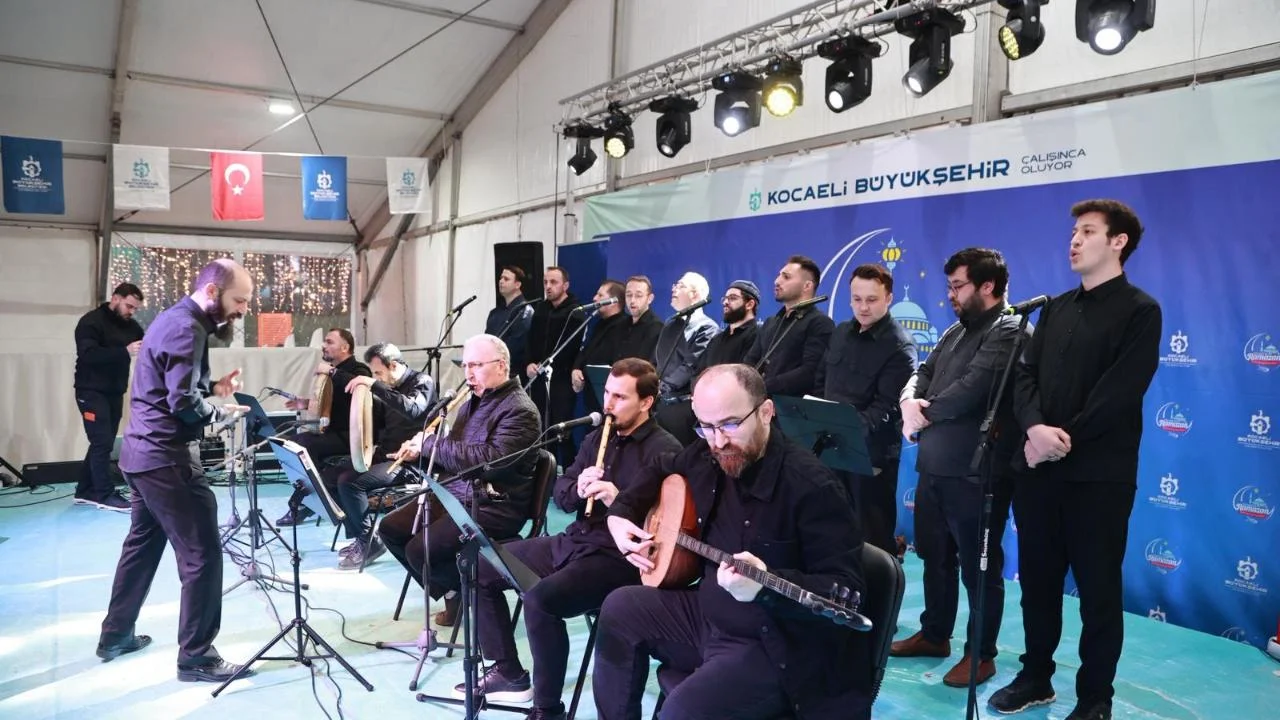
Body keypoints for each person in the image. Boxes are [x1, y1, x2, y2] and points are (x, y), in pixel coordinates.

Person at [594, 364, 870, 720]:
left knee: (681, 713)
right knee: (620, 609)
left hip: (772, 643)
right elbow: (661, 466)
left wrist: (765, 586)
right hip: (708, 616)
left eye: (730, 424)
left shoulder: (812, 487)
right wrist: (619, 514)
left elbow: (845, 591)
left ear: (766, 412)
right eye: (706, 427)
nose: (718, 441)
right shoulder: (707, 453)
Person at [989, 199, 1161, 720]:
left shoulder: (1140, 310)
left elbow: (1119, 392)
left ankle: (1094, 698)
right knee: (1038, 584)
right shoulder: (1056, 308)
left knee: (1098, 592)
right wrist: (1034, 429)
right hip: (1038, 472)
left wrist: (1059, 440)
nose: (1075, 240)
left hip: (1098, 478)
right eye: (1073, 232)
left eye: (1088, 231)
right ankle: (1035, 675)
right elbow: (1025, 376)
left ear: (1118, 242)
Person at [462, 359, 681, 720]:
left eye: (620, 397)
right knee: (481, 564)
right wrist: (578, 488)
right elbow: (562, 496)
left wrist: (618, 500)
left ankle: (548, 710)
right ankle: (508, 672)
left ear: (646, 402)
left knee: (540, 602)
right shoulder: (597, 437)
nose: (608, 404)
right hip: (575, 540)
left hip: (616, 558)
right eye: (607, 393)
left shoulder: (665, 450)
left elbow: (668, 527)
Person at [97, 259, 254, 682]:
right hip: (167, 459)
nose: (243, 310)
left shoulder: (173, 319)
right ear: (212, 291)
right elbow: (182, 403)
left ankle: (115, 635)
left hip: (140, 456)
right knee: (203, 555)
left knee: (142, 548)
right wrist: (220, 411)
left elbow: (172, 385)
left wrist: (214, 389)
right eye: (239, 300)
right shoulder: (188, 328)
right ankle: (197, 657)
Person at [892, 249, 1023, 689]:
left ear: (988, 286)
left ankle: (981, 654)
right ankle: (934, 634)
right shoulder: (954, 330)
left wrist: (922, 413)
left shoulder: (1010, 329)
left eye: (958, 286)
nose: (950, 294)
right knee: (935, 558)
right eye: (948, 286)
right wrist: (908, 401)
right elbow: (922, 372)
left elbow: (973, 389)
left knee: (978, 570)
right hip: (934, 465)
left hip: (977, 472)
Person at [381, 333, 541, 627]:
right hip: (454, 494)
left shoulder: (520, 410)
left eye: (476, 365)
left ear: (501, 366)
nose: (468, 374)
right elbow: (454, 455)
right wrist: (420, 453)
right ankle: (454, 590)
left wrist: (430, 444)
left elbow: (489, 462)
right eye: (465, 365)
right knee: (389, 528)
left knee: (419, 550)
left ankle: (465, 594)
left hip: (493, 505)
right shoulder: (470, 403)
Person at [815, 264, 916, 558]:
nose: (863, 307)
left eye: (872, 300)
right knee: (830, 530)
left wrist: (842, 428)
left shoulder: (899, 345)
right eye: (857, 299)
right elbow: (821, 381)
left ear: (889, 298)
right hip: (830, 449)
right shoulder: (840, 332)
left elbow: (886, 407)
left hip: (871, 457)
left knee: (872, 540)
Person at [329, 342, 435, 570]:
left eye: (378, 372)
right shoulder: (388, 387)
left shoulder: (422, 381)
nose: (376, 377)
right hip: (386, 453)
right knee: (330, 477)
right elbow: (377, 421)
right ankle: (362, 536)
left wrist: (374, 385)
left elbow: (413, 409)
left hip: (411, 461)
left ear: (393, 365)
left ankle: (369, 543)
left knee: (350, 482)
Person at [277, 327, 372, 525]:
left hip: (351, 437)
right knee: (288, 444)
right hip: (332, 433)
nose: (323, 345)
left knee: (302, 446)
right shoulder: (332, 373)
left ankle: (306, 504)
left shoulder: (360, 370)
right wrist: (306, 404)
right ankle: (315, 497)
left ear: (345, 347)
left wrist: (331, 371)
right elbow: (333, 405)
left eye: (329, 342)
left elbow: (356, 389)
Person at [73, 282, 146, 511]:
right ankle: (103, 494)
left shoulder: (131, 326)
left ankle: (85, 490)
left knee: (102, 440)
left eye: (135, 308)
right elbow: (88, 355)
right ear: (115, 298)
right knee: (102, 441)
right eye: (129, 306)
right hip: (90, 391)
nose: (131, 312)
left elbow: (149, 344)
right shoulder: (91, 322)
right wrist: (124, 351)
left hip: (115, 391)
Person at [743, 255, 834, 396]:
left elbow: (810, 372)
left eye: (786, 277)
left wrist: (764, 387)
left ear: (807, 286)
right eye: (779, 275)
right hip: (760, 402)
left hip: (791, 405)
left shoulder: (820, 323)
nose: (777, 281)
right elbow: (750, 361)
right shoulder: (770, 322)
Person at [525, 266, 587, 467]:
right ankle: (544, 472)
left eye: (553, 282)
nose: (548, 287)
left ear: (565, 285)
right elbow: (531, 341)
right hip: (539, 377)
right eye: (545, 282)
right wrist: (529, 363)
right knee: (540, 428)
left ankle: (569, 473)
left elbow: (577, 348)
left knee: (561, 430)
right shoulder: (541, 309)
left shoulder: (575, 311)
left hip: (562, 379)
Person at [653, 272, 719, 445]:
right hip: (658, 403)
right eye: (675, 285)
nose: (674, 289)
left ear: (695, 294)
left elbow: (691, 366)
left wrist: (662, 387)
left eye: (680, 286)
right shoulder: (670, 323)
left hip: (681, 408)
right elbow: (657, 359)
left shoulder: (707, 327)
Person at [572, 279, 628, 414]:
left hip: (609, 398)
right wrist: (576, 368)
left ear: (613, 301)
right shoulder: (599, 324)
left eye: (600, 295)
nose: (594, 298)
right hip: (591, 395)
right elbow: (586, 350)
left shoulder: (624, 326)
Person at [696, 280, 761, 371]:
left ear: (749, 304)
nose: (725, 302)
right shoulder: (716, 340)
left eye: (732, 298)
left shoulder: (759, 336)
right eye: (725, 298)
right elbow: (699, 371)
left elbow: (747, 374)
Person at [486, 265, 535, 377]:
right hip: (493, 371)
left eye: (506, 279)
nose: (501, 281)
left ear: (517, 285)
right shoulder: (495, 313)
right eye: (501, 278)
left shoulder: (525, 311)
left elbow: (516, 347)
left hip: (513, 373)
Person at [615, 275, 663, 361]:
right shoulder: (621, 324)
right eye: (629, 295)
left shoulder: (656, 327)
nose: (632, 300)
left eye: (638, 296)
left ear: (650, 298)